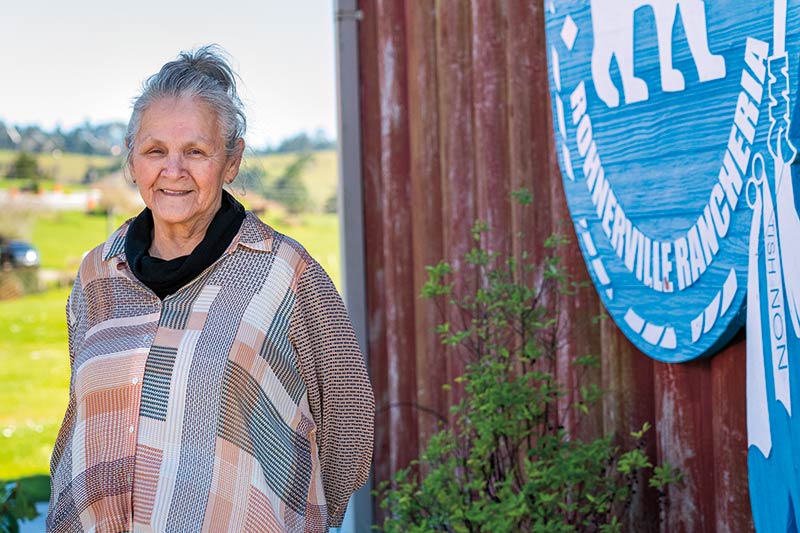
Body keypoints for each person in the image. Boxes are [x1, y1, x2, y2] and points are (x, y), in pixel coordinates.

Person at [47, 45, 374, 533]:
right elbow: (83, 413)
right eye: (155, 150)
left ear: (232, 160)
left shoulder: (286, 274)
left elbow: (349, 415)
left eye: (196, 151)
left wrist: (310, 519)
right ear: (132, 158)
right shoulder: (98, 272)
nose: (172, 170)